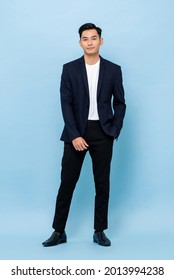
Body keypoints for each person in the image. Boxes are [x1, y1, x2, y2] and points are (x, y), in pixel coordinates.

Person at [42, 23, 126, 247]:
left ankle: (99, 231)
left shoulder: (113, 69)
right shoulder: (69, 69)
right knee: (67, 183)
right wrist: (75, 135)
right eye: (85, 39)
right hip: (75, 132)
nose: (90, 42)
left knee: (102, 185)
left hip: (103, 132)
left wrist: (114, 130)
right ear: (80, 42)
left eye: (94, 38)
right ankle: (58, 231)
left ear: (101, 41)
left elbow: (120, 102)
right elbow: (66, 104)